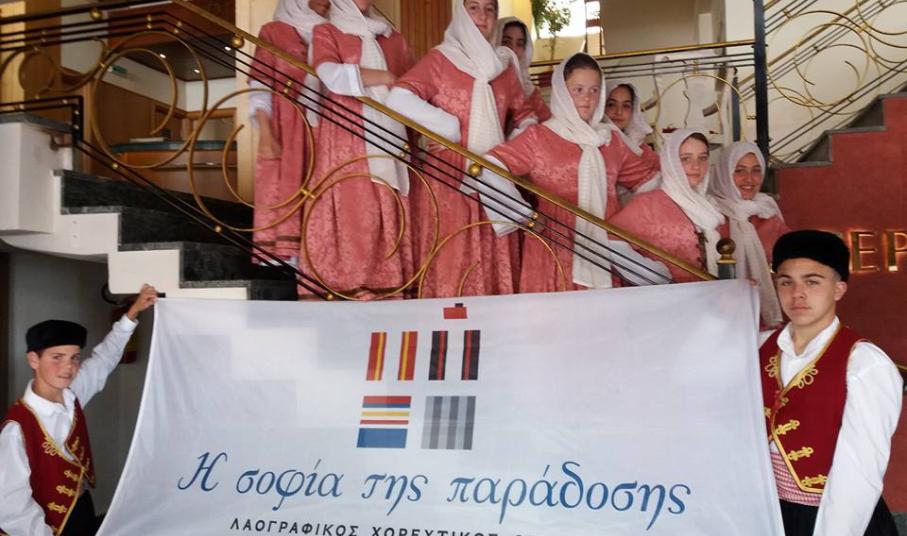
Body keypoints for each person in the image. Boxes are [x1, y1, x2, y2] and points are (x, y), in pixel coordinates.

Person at [386, 0, 537, 298]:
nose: (482, 17)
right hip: (449, 178)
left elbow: (527, 117)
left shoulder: (505, 67)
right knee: (453, 259)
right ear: (461, 12)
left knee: (492, 260)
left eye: (490, 9)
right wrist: (446, 126)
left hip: (493, 175)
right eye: (474, 8)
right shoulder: (441, 59)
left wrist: (509, 151)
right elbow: (398, 99)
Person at [482, 52, 667, 292]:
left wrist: (627, 221)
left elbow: (649, 183)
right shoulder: (539, 137)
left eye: (594, 90)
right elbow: (488, 167)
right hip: (554, 244)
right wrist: (523, 215)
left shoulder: (610, 139)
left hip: (604, 247)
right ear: (561, 91)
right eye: (578, 90)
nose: (587, 98)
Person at [760, 230, 902, 536]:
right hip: (769, 515)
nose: (797, 293)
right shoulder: (759, 348)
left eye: (812, 282)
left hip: (834, 518)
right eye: (786, 282)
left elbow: (859, 470)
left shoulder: (864, 364)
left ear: (838, 289)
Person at [0, 285, 158, 536]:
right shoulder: (16, 429)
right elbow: (11, 505)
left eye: (74, 357)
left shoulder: (71, 395)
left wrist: (132, 313)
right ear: (33, 360)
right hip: (46, 525)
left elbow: (104, 359)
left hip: (81, 507)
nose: (68, 367)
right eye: (57, 357)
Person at [300, 0, 414, 298]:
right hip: (346, 137)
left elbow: (413, 88)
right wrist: (384, 77)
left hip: (389, 137)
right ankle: (351, 285)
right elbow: (330, 75)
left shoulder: (392, 37)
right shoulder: (328, 31)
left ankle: (387, 286)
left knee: (384, 204)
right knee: (354, 207)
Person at [248, 0, 330, 266]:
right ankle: (293, 264)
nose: (326, 2)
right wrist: (266, 132)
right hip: (286, 126)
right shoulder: (273, 32)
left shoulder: (332, 32)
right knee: (287, 188)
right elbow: (260, 84)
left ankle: (320, 265)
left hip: (325, 127)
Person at [608, 128, 726, 282]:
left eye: (702, 158)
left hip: (710, 292)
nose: (696, 166)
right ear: (671, 162)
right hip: (667, 295)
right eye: (686, 159)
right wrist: (652, 274)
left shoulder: (709, 204)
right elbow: (610, 241)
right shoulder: (649, 204)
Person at [710, 141, 789, 327]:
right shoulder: (710, 214)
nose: (749, 179)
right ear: (724, 173)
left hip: (768, 313)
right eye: (739, 171)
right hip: (720, 315)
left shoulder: (767, 211)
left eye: (756, 170)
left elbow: (791, 259)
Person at [604, 80, 660, 203]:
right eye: (611, 104)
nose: (618, 112)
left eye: (626, 106)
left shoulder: (638, 143)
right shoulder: (601, 142)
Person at [493, 16, 551, 126]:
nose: (513, 49)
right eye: (506, 42)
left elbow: (546, 121)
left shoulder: (528, 88)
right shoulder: (485, 83)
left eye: (519, 44)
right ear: (495, 42)